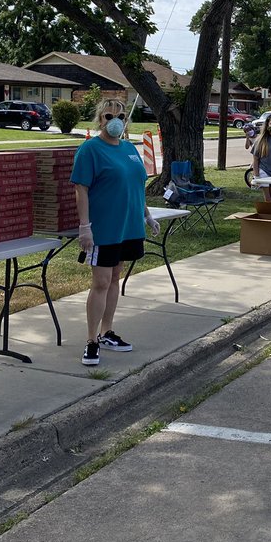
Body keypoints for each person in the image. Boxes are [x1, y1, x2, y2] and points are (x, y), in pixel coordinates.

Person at [71, 98, 160, 367]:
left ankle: (106, 331)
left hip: (128, 227)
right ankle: (90, 341)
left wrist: (147, 215)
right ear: (100, 119)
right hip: (104, 229)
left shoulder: (130, 149)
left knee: (115, 279)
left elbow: (137, 185)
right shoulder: (90, 149)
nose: (115, 120)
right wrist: (85, 227)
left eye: (120, 116)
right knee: (100, 281)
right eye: (109, 115)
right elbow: (81, 189)